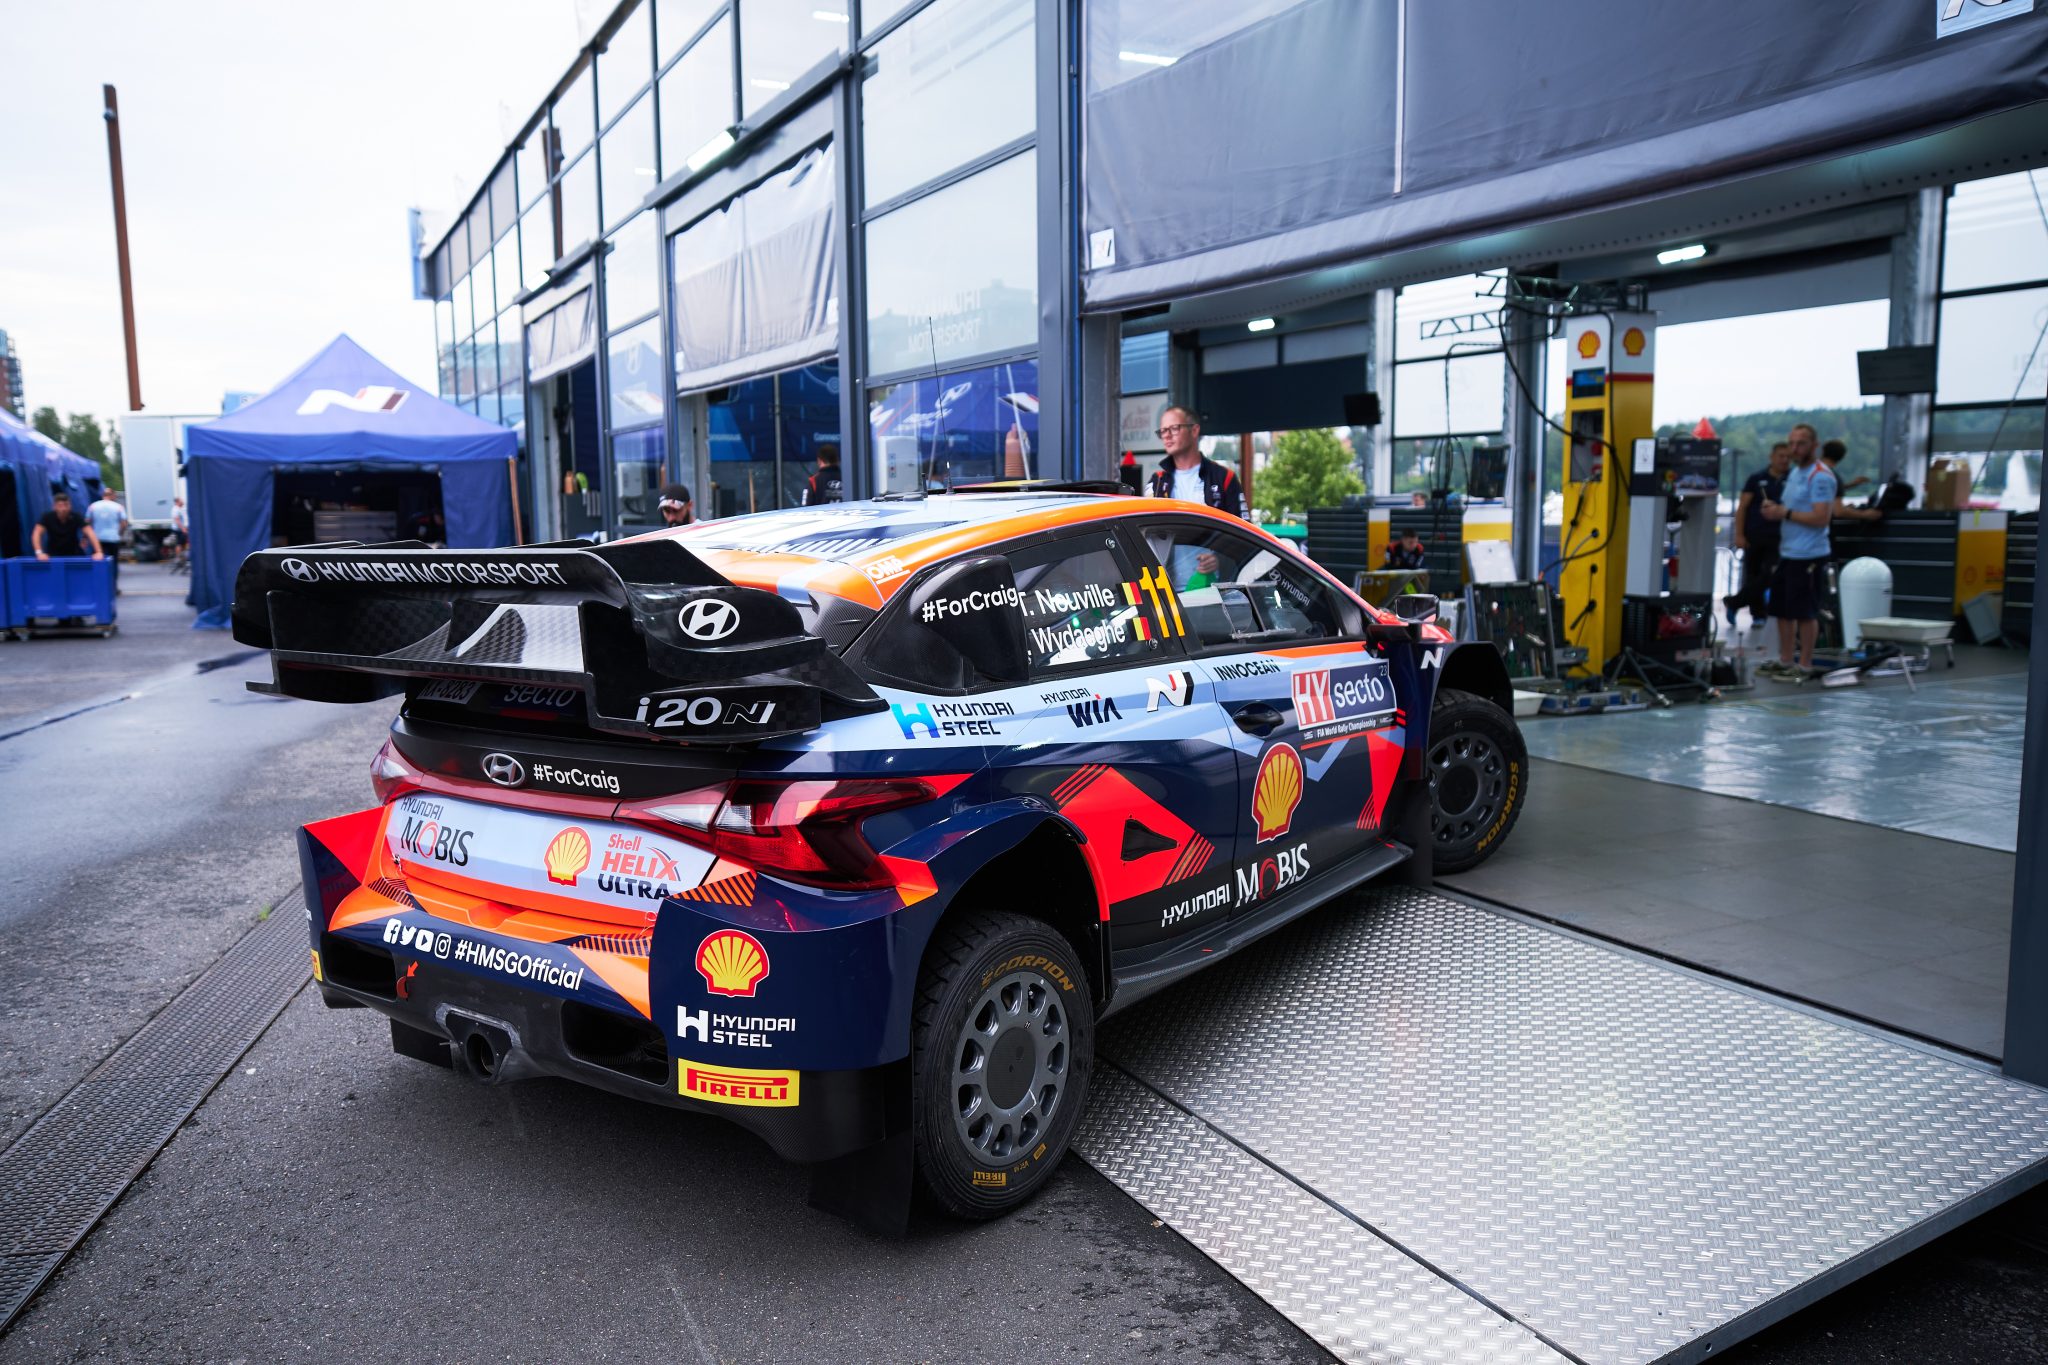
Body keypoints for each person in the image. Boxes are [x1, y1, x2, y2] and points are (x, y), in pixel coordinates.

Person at [1758, 423, 1835, 679]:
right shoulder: (1794, 474)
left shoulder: (1820, 476)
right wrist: (1774, 510)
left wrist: (1785, 513)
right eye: (1791, 443)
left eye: (1801, 443)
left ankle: (1804, 664)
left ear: (1814, 445)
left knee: (1804, 611)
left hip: (1809, 554)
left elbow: (1821, 517)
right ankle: (1786, 659)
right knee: (1782, 609)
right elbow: (1790, 509)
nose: (1795, 448)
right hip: (1788, 552)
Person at [1724, 441, 1790, 628]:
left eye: (1788, 457)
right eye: (1781, 456)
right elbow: (1742, 507)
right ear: (1772, 457)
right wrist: (1739, 534)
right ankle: (1757, 614)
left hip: (1780, 536)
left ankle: (1734, 602)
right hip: (1754, 535)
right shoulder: (1756, 479)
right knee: (1752, 575)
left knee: (1770, 574)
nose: (1784, 460)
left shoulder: (1793, 479)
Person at [1145, 407, 1246, 517]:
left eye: (1174, 428)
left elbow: (1243, 524)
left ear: (1194, 430)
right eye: (1163, 431)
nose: (1167, 436)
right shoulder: (1157, 481)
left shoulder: (1224, 478)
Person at [1821, 440, 1882, 524]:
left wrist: (1852, 484)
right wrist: (1866, 514)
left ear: (1823, 452)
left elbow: (1828, 490)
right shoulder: (1832, 476)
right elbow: (1839, 512)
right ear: (1842, 457)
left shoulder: (1815, 471)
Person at [33, 491, 104, 563]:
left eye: (66, 505)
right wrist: (39, 553)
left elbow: (89, 532)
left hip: (74, 555)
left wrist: (98, 551)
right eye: (60, 506)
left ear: (70, 506)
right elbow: (37, 533)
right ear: (54, 506)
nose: (64, 509)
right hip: (53, 556)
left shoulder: (76, 516)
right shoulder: (47, 517)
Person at [86, 488, 128, 593]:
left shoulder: (93, 506)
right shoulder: (119, 507)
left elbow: (87, 521)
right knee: (113, 563)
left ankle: (98, 587)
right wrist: (119, 533)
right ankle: (113, 587)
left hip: (97, 540)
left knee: (98, 563)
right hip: (113, 538)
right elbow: (124, 523)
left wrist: (87, 536)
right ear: (113, 495)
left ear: (102, 495)